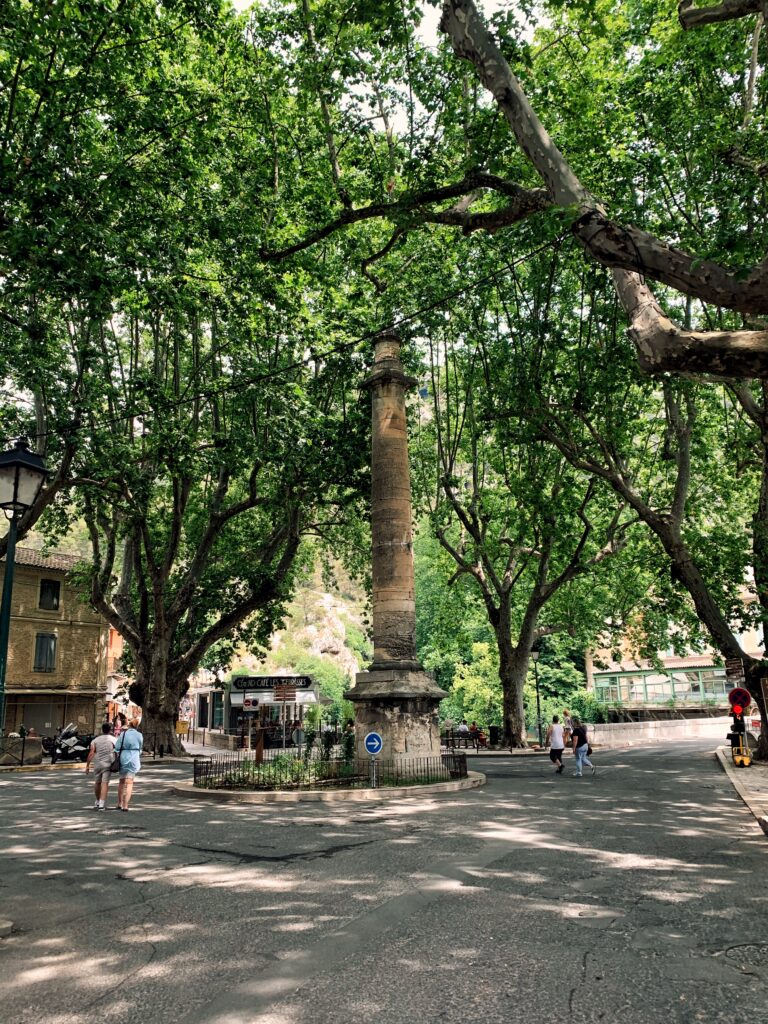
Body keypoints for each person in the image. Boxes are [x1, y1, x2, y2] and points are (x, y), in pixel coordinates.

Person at [85, 722, 117, 810]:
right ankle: (102, 803)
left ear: (102, 730)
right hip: (108, 763)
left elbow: (91, 753)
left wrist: (87, 765)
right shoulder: (113, 739)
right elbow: (117, 751)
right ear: (110, 730)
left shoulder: (95, 740)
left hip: (97, 763)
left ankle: (97, 801)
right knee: (105, 783)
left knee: (97, 783)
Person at [115, 718, 143, 811]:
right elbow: (140, 746)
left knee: (121, 781)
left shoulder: (123, 734)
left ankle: (119, 803)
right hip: (134, 758)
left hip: (124, 757)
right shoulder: (139, 735)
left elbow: (117, 747)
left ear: (129, 725)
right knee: (130, 782)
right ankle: (126, 805)